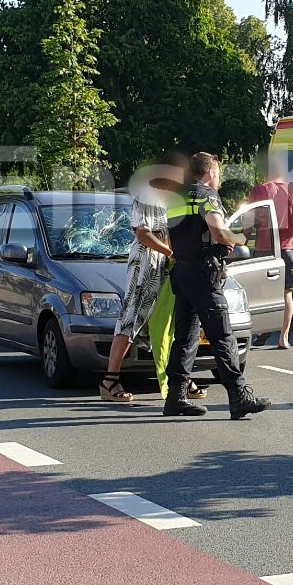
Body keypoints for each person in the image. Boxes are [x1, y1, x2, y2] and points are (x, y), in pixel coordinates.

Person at [163, 152, 270, 419]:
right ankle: (239, 395)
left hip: (183, 271)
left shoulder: (176, 197)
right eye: (219, 173)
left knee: (185, 337)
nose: (219, 178)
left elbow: (167, 236)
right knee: (222, 335)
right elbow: (218, 230)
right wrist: (240, 239)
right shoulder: (207, 195)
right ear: (210, 171)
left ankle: (176, 396)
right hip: (203, 272)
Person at [99, 152, 206, 404]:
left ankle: (179, 377)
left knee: (166, 323)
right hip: (147, 262)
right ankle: (109, 380)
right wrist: (170, 251)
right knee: (132, 317)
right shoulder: (148, 194)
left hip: (165, 262)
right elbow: (143, 234)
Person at [247, 155, 293, 349]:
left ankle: (258, 331)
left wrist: (243, 239)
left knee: (260, 294)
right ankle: (283, 338)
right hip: (288, 248)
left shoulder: (259, 190)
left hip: (263, 248)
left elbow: (249, 221)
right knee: (286, 293)